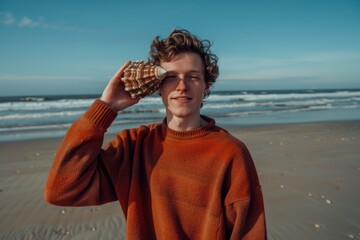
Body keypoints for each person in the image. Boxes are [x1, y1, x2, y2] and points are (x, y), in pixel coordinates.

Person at [45, 28, 266, 239]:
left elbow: (249, 232)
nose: (182, 86)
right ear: (157, 85)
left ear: (206, 86)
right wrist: (106, 107)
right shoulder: (133, 146)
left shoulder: (230, 152)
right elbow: (62, 190)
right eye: (171, 77)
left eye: (193, 77)